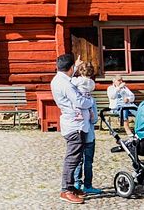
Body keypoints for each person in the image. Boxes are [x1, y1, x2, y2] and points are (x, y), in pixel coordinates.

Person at [50, 53, 93, 205]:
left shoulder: (59, 79)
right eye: (73, 67)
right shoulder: (66, 84)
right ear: (70, 68)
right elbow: (80, 101)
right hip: (75, 125)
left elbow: (69, 77)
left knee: (75, 157)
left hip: (73, 123)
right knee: (72, 158)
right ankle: (66, 190)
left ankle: (70, 187)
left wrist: (75, 66)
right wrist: (90, 101)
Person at [71, 63, 102, 195]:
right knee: (88, 161)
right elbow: (94, 119)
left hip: (78, 131)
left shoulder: (75, 96)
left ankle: (77, 183)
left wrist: (74, 69)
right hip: (89, 134)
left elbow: (69, 81)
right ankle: (88, 185)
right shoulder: (91, 95)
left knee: (78, 160)